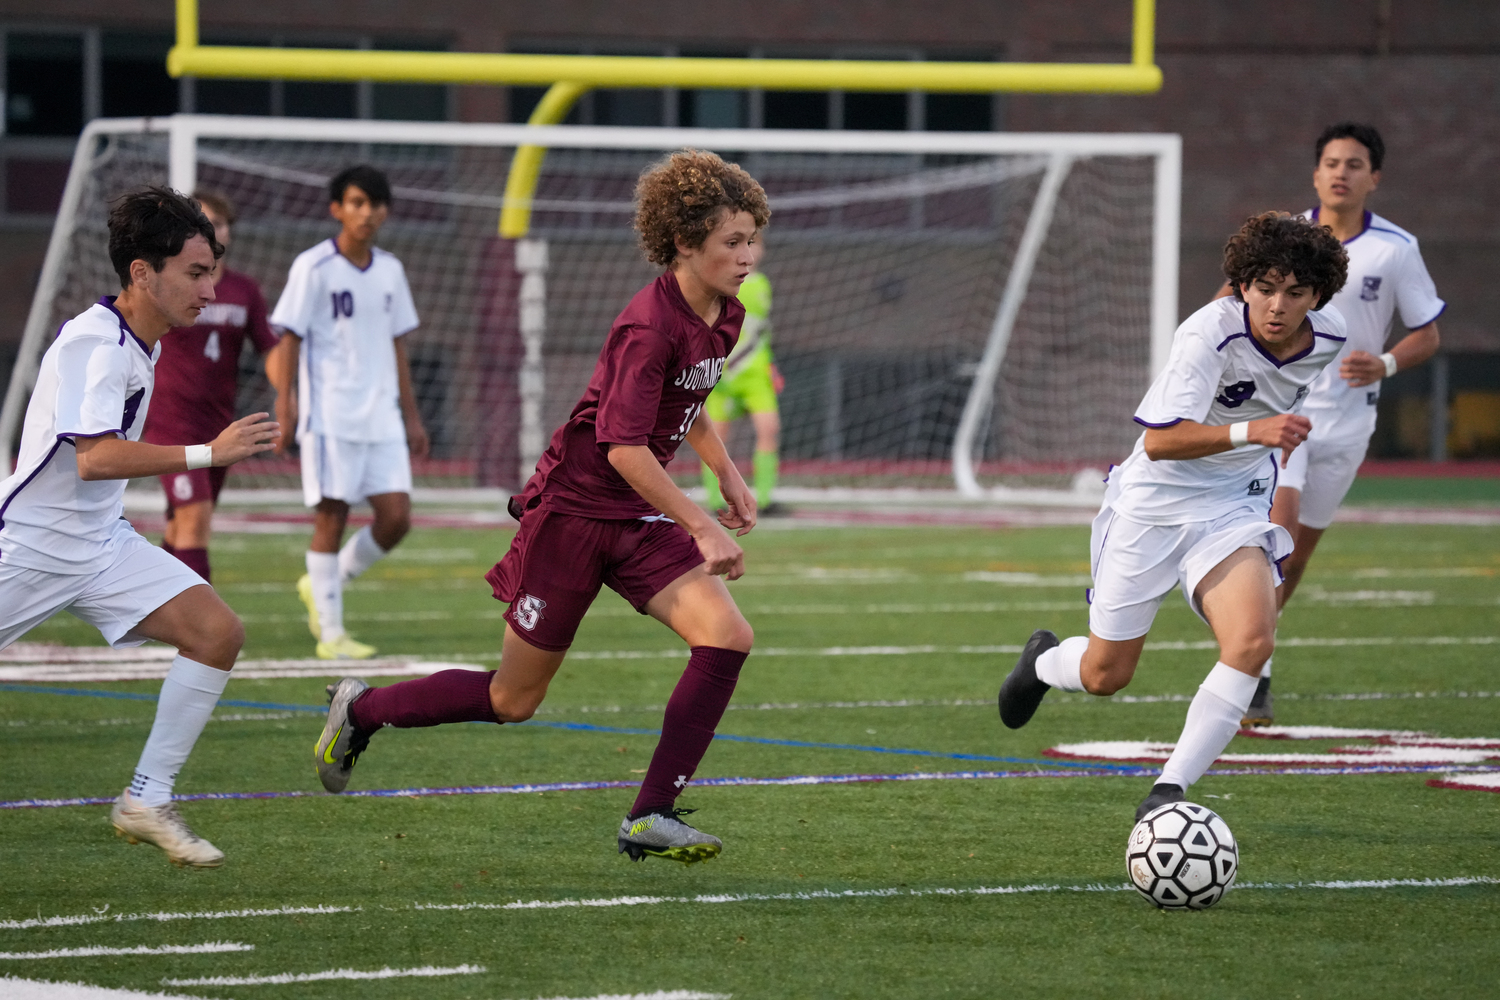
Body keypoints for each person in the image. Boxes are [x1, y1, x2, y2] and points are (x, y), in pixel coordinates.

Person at [312, 149, 767, 864]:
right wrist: (703, 520)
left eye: (753, 239)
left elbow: (690, 403)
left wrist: (728, 475)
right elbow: (622, 448)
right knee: (513, 699)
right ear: (684, 242)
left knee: (726, 637)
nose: (749, 256)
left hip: (637, 516)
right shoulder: (647, 326)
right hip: (576, 516)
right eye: (732, 242)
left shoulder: (726, 313)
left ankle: (651, 814)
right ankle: (361, 708)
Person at [996, 212, 1349, 821]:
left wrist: (1256, 445)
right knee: (1107, 673)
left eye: (1295, 293)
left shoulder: (1332, 338)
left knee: (1253, 640)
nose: (1277, 306)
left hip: (1232, 508)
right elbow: (1160, 442)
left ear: (1317, 296)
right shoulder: (1206, 336)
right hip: (1151, 507)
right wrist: (1254, 430)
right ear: (1242, 286)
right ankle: (1044, 663)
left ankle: (1169, 791)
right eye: (1265, 287)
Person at [0, 188, 278, 866]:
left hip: (100, 545)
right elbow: (94, 457)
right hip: (32, 546)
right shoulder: (100, 346)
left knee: (217, 632)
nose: (210, 290)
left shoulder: (139, 339)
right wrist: (209, 452)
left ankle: (146, 799)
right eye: (195, 273)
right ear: (142, 274)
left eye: (212, 271)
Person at [1224, 123, 1445, 726]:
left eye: (1354, 163)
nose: (1340, 172)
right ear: (1316, 173)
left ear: (1374, 177)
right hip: (1286, 414)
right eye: (1330, 161)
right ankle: (1248, 670)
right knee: (1280, 535)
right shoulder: (1286, 239)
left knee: (1296, 558)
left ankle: (1254, 654)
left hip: (1351, 424)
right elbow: (1228, 300)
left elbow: (1428, 331)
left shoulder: (1396, 248)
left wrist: (1387, 362)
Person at [269, 165, 430, 660]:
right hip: (330, 414)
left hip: (381, 416)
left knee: (396, 517)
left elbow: (397, 345)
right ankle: (332, 635)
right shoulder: (313, 267)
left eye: (376, 204)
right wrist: (286, 406)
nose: (368, 213)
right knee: (332, 518)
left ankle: (323, 584)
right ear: (337, 208)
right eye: (357, 202)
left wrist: (411, 415)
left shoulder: (390, 271)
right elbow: (289, 338)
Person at [142, 189, 282, 583]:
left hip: (220, 426)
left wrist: (288, 396)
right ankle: (197, 633)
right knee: (194, 519)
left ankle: (152, 610)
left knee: (179, 524)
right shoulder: (168, 283)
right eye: (198, 224)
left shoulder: (245, 290)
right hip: (171, 422)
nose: (209, 231)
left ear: (229, 232)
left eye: (216, 224)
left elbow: (271, 348)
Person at [700, 265, 783, 514]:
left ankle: (765, 499)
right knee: (715, 438)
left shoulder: (761, 285)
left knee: (769, 428)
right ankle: (717, 500)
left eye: (752, 242)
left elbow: (760, 335)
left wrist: (769, 366)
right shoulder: (712, 284)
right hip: (723, 376)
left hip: (755, 376)